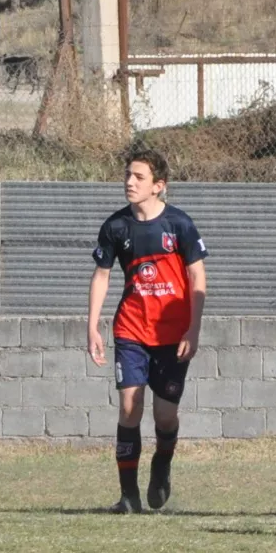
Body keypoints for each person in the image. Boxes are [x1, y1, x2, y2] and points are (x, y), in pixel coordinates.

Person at [87, 150, 208, 514]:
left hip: (173, 336)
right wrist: (92, 326)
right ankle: (128, 495)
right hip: (131, 331)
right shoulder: (115, 227)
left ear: (159, 185)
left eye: (139, 177)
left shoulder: (179, 225)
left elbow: (198, 276)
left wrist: (194, 328)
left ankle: (162, 467)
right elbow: (103, 275)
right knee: (129, 406)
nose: (129, 182)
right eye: (127, 175)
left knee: (165, 415)